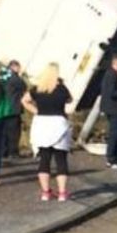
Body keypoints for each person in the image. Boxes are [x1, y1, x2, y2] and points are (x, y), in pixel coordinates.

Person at [22, 63, 74, 202]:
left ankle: (46, 192)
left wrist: (36, 111)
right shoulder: (62, 89)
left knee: (44, 159)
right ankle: (62, 192)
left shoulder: (37, 89)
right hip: (59, 123)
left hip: (42, 123)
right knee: (61, 159)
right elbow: (70, 100)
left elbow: (25, 100)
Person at [4, 60, 27, 159]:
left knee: (5, 131)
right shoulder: (15, 78)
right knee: (14, 132)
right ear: (13, 67)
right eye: (18, 67)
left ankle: (4, 151)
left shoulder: (4, 77)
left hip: (4, 108)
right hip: (14, 108)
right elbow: (24, 86)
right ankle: (13, 152)